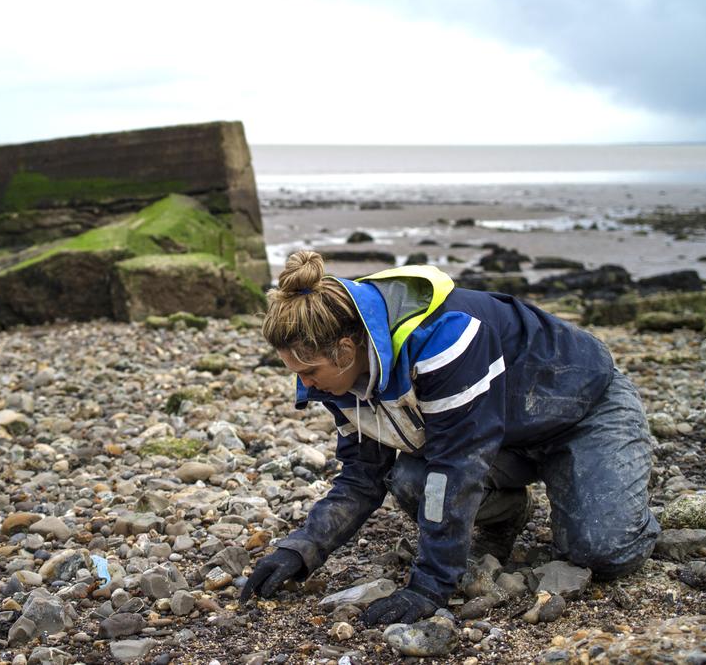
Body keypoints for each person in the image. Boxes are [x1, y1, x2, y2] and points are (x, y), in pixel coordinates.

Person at [239, 251, 660, 625]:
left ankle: (614, 485)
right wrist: (300, 550)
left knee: (604, 552)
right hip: (501, 436)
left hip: (583, 410)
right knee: (408, 482)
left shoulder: (446, 339)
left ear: (346, 350)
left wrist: (430, 588)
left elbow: (455, 469)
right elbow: (361, 477)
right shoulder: (339, 383)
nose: (304, 383)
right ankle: (509, 509)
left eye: (308, 371)